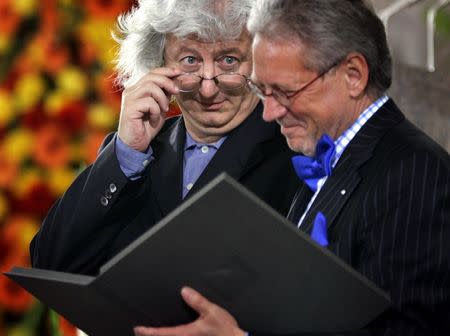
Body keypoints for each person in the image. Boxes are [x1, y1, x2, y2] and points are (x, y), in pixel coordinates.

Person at [132, 1, 450, 336]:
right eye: (261, 90)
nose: (269, 113)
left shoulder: (416, 176)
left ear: (353, 75)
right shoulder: (325, 162)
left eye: (284, 92)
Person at [30, 0, 299, 276]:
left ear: (263, 61)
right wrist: (126, 153)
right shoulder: (132, 156)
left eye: (229, 60)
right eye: (190, 61)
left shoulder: (297, 154)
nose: (207, 88)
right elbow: (50, 263)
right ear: (158, 65)